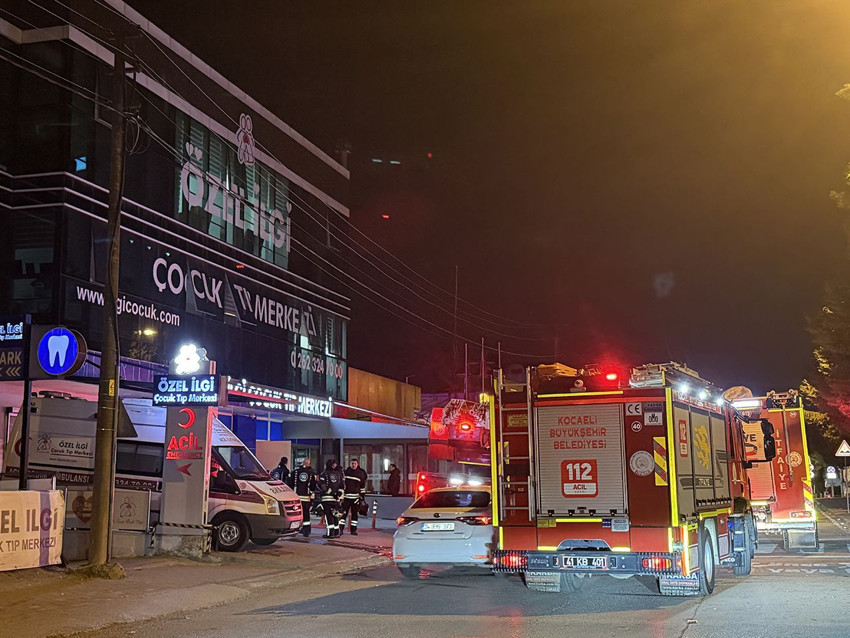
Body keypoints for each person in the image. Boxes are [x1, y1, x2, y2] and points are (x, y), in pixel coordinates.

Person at [340, 459, 368, 535]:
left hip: (355, 498)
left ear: (357, 464)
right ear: (349, 464)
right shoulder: (345, 473)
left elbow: (362, 487)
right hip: (346, 497)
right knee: (343, 513)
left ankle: (353, 530)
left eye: (355, 463)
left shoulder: (360, 474)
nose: (353, 465)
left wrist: (362, 498)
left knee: (355, 514)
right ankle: (340, 529)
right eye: (352, 463)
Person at [289, 458, 317, 537]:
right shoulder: (311, 473)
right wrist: (312, 497)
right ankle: (306, 530)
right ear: (308, 464)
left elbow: (289, 483)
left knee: (294, 514)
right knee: (306, 514)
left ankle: (294, 529)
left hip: (296, 497)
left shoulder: (295, 472)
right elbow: (313, 486)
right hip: (306, 497)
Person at [317, 459, 344, 538]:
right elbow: (342, 486)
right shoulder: (338, 475)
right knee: (335, 515)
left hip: (327, 499)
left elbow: (322, 485)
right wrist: (337, 494)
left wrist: (331, 493)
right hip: (335, 499)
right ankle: (336, 532)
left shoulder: (324, 474)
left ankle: (330, 533)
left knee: (329, 516)